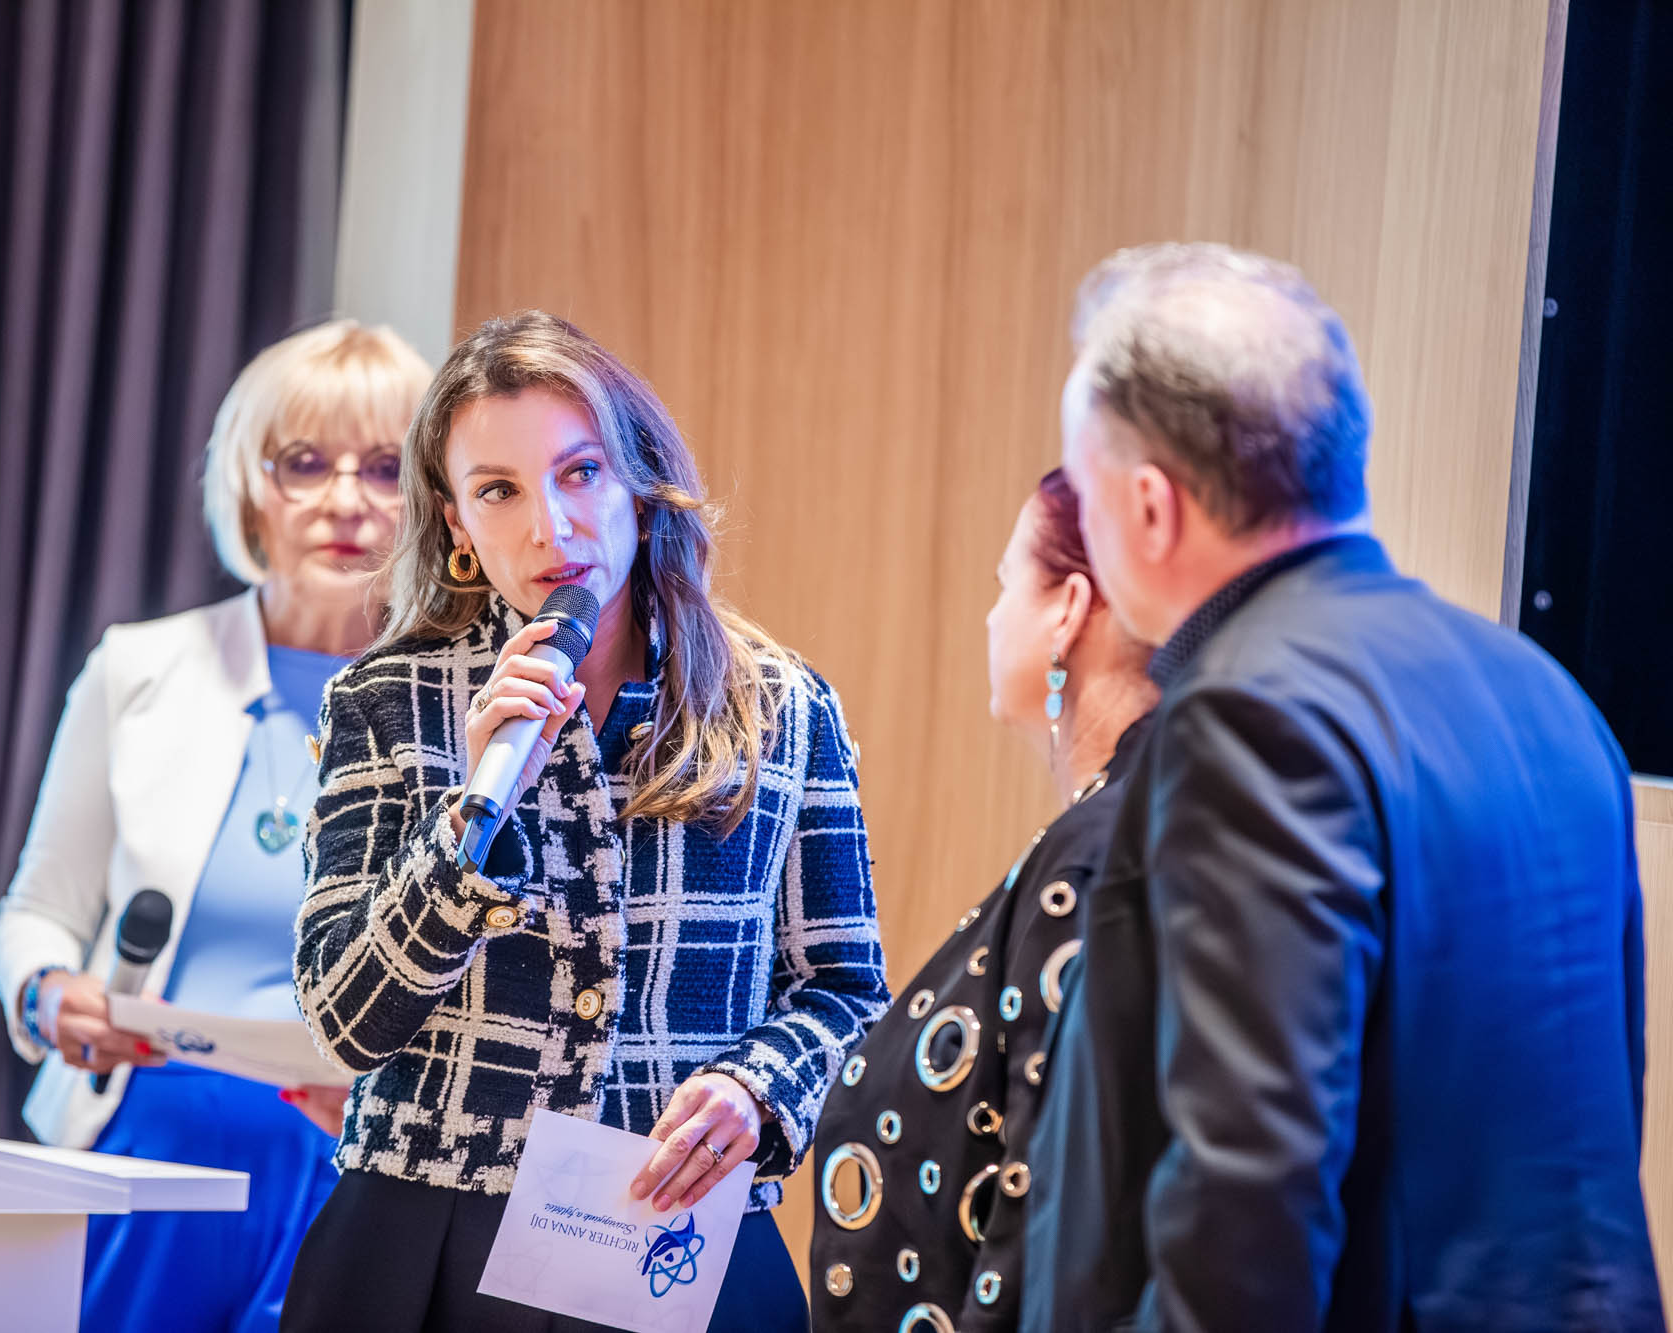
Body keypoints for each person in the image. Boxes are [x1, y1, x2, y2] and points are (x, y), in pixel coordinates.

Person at [1021, 242, 1664, 1331]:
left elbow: (1243, 1211)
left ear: (1148, 506)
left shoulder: (1248, 718)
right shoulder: (1544, 693)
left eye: (1084, 493)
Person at [281, 310, 890, 1332]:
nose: (549, 528)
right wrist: (468, 821)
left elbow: (847, 992)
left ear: (639, 486)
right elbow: (344, 1024)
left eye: (580, 473)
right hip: (425, 1233)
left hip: (671, 1229)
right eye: (499, 491)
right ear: (456, 524)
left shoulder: (782, 708)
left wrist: (757, 1090)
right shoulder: (387, 700)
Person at [0, 319, 434, 1332]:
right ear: (248, 484)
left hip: (358, 1163)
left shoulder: (460, 708)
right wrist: (47, 993)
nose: (345, 501)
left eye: (384, 468)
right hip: (146, 1144)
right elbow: (37, 910)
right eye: (304, 463)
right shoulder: (138, 668)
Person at [807, 469, 1156, 1333]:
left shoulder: (1099, 850)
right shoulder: (1124, 817)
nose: (992, 617)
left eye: (1006, 584)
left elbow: (1050, 1203)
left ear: (1069, 609)